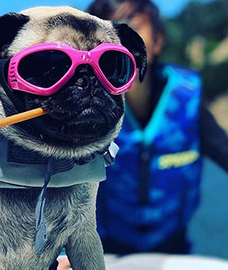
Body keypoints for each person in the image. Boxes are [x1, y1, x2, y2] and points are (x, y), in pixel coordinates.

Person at [58, 0, 228, 268]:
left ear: (158, 40)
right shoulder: (83, 111)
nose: (118, 42)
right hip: (104, 251)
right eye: (105, 35)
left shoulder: (187, 98)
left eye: (131, 30)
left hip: (175, 245)